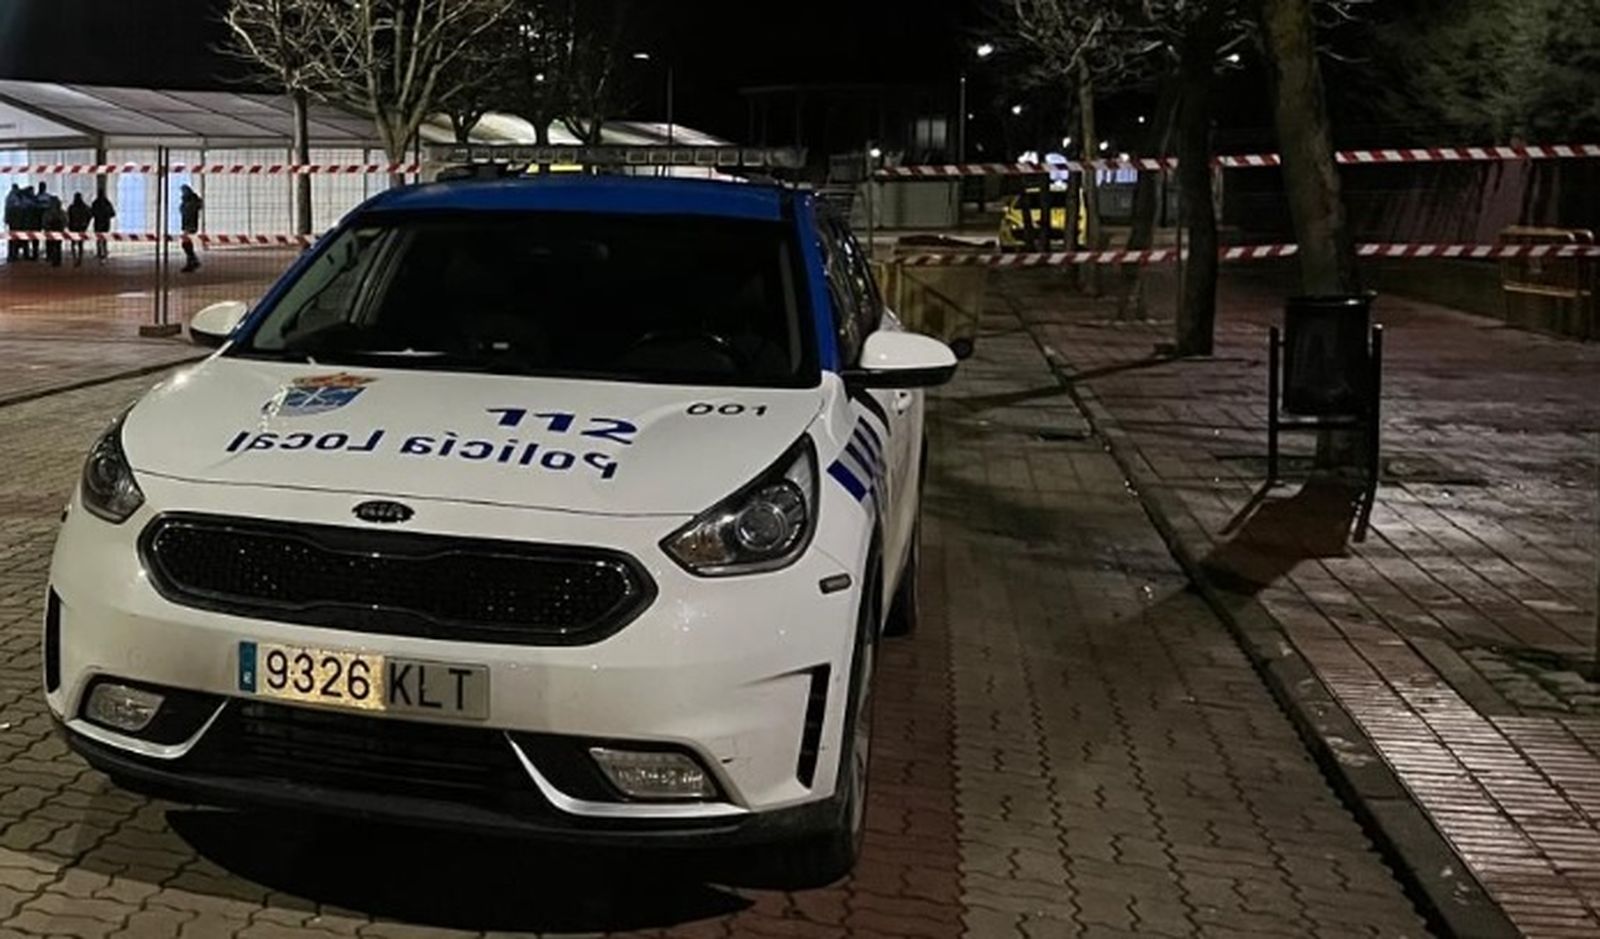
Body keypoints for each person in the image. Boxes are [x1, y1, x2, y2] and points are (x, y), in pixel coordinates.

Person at [178, 184, 203, 272]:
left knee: (185, 242)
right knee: (185, 242)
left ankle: (192, 260)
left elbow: (188, 211)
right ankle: (192, 260)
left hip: (190, 224)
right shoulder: (188, 201)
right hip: (187, 223)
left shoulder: (190, 202)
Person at [90, 190, 116, 262]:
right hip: (106, 223)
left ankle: (99, 252)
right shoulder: (107, 203)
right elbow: (113, 214)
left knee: (98, 238)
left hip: (98, 223)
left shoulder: (95, 203)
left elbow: (91, 213)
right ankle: (104, 251)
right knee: (104, 238)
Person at [41, 194, 66, 268]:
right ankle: (57, 260)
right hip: (58, 229)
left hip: (50, 229)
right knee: (57, 246)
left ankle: (51, 258)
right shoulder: (61, 212)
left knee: (50, 245)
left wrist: (45, 227)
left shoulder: (48, 211)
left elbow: (45, 220)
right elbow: (65, 220)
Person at [66, 193, 90, 267]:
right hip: (81, 227)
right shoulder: (85, 207)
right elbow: (89, 215)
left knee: (73, 244)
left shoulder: (72, 207)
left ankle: (75, 258)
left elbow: (68, 217)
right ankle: (79, 259)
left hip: (74, 227)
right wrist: (86, 223)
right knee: (80, 244)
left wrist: (69, 225)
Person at [4, 184, 22, 263]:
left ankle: (11, 255)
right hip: (14, 219)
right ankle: (13, 255)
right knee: (14, 238)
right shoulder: (14, 197)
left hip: (11, 219)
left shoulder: (9, 196)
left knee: (11, 238)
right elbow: (17, 207)